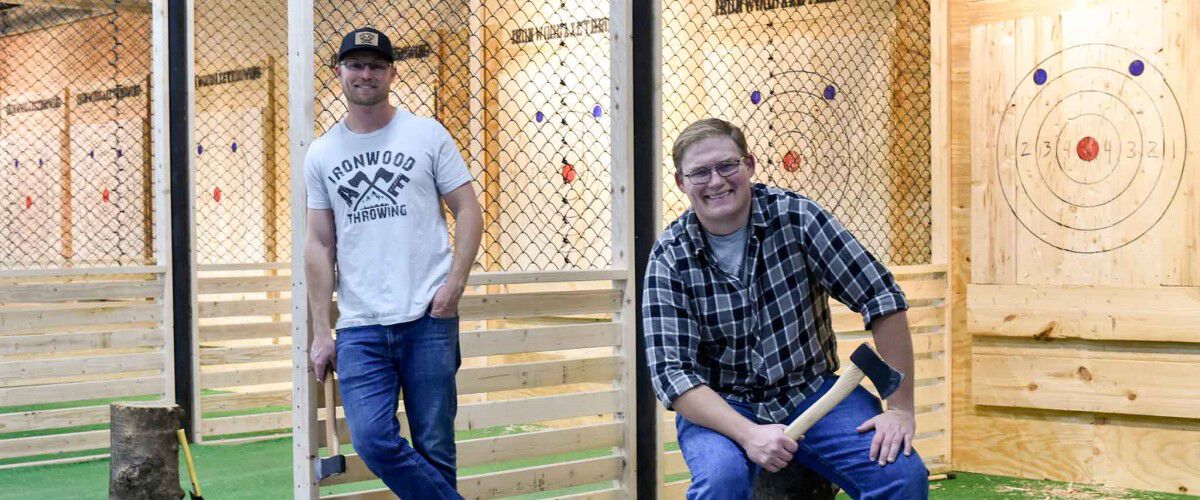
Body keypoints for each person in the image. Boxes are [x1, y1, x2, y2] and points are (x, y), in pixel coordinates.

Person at [643, 118, 928, 499]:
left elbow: (881, 296)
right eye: (700, 173)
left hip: (810, 391)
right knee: (721, 482)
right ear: (681, 182)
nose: (716, 181)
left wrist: (900, 409)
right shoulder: (669, 257)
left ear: (750, 164)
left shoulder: (797, 217)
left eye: (727, 165)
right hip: (723, 406)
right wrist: (749, 435)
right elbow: (672, 375)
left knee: (902, 476)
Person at [303, 26, 482, 499]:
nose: (366, 74)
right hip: (361, 325)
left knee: (435, 446)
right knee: (374, 441)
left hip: (428, 315)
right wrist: (323, 330)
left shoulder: (426, 135)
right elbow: (319, 244)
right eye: (357, 65)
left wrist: (455, 285)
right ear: (338, 72)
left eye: (377, 65)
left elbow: (469, 210)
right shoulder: (321, 154)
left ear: (391, 74)